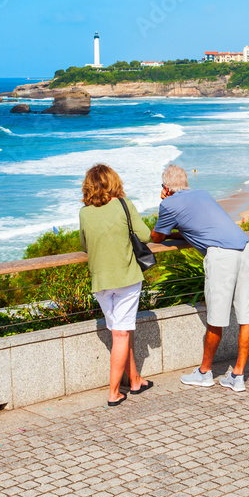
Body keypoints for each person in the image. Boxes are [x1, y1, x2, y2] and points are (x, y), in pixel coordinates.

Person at [152, 164, 249, 393]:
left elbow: (157, 237)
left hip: (221, 255)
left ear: (166, 188)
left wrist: (164, 201)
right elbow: (199, 223)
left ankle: (204, 373)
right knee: (247, 315)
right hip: (245, 247)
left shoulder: (168, 203)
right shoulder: (203, 194)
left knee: (216, 318)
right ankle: (238, 375)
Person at [78, 163, 153, 407]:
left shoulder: (84, 212)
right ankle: (113, 393)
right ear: (113, 182)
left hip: (100, 280)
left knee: (121, 329)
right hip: (126, 278)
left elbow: (83, 244)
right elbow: (145, 235)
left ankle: (134, 380)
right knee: (122, 332)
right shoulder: (124, 204)